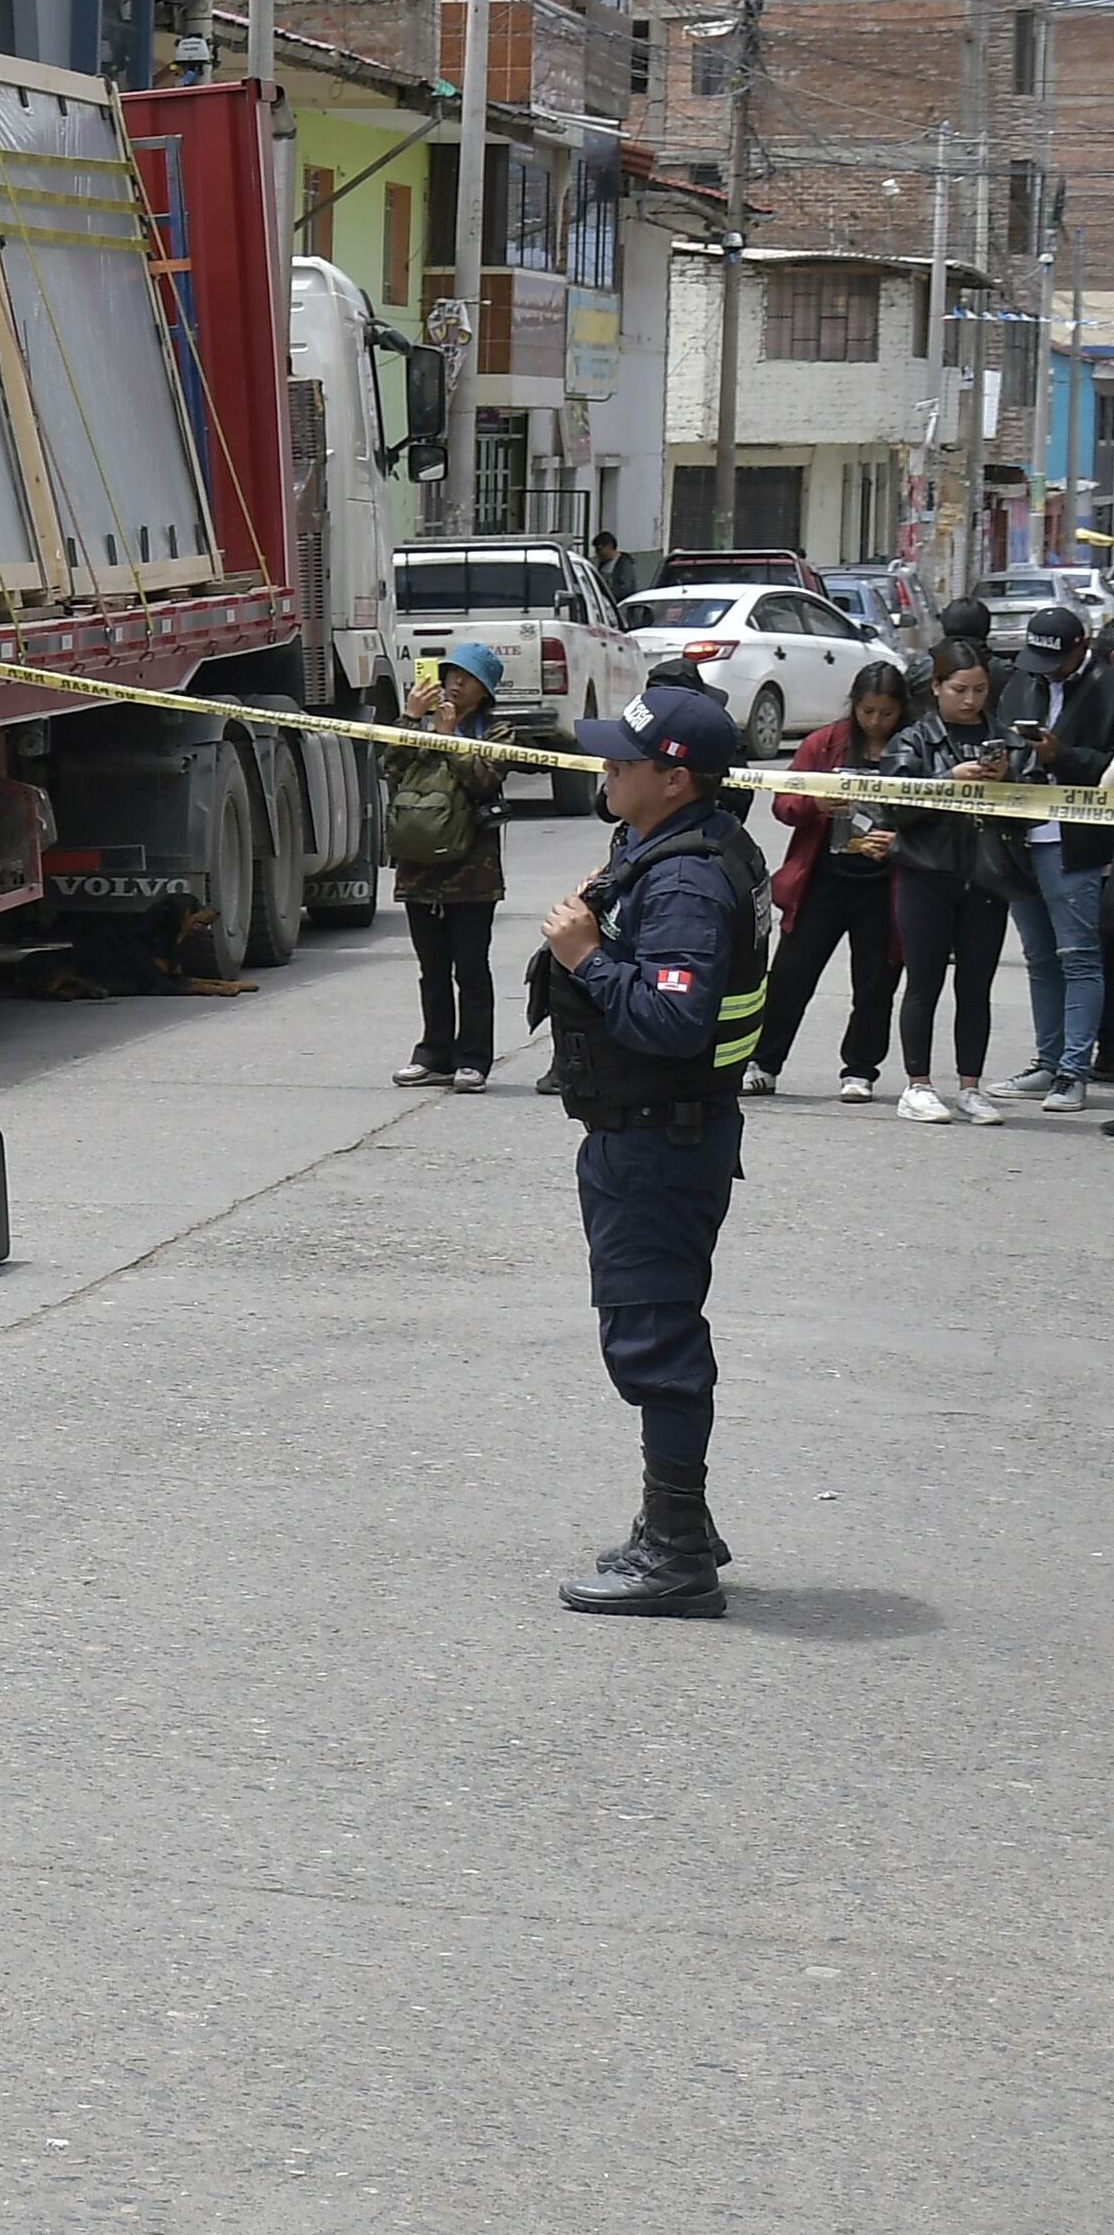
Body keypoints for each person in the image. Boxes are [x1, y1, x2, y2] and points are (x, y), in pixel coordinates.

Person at [537, 679, 770, 1618]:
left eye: (622, 760)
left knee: (655, 1339)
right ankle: (680, 1520)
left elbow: (674, 1018)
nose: (605, 768)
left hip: (659, 1142)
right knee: (653, 1327)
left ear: (674, 780)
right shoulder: (671, 845)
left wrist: (586, 955)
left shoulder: (683, 878)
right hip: (659, 1133)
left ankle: (676, 1552)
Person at [747, 660, 912, 1103]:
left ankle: (860, 1069)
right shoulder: (825, 744)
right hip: (822, 880)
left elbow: (934, 813)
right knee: (790, 975)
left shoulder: (913, 746)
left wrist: (898, 837)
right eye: (868, 711)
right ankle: (763, 1062)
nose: (876, 721)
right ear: (854, 706)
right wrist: (815, 803)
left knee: (876, 983)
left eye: (886, 713)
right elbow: (784, 804)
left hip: (886, 884)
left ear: (902, 711)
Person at [885, 642, 1020, 1123]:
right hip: (926, 873)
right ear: (936, 687)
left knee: (976, 985)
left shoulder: (1003, 737)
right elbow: (896, 808)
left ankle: (971, 1085)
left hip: (986, 876)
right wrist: (948, 780)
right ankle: (917, 1084)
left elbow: (1035, 801)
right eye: (959, 689)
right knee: (923, 982)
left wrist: (1009, 777)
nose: (969, 700)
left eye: (979, 690)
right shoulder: (913, 740)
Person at [984, 605, 1109, 1111]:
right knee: (1039, 957)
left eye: (1056, 661)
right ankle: (1047, 1060)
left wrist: (1066, 758)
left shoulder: (1106, 688)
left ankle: (1074, 1071)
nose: (1047, 671)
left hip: (1075, 840)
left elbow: (1107, 764)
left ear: (1082, 647)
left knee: (1078, 955)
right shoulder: (1023, 682)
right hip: (1022, 833)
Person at [388, 641, 511, 1091]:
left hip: (472, 875)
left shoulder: (498, 733)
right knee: (432, 969)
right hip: (419, 870)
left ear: (485, 690)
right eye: (451, 674)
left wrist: (451, 735)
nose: (455, 684)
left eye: (467, 678)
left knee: (471, 969)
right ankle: (433, 1053)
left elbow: (484, 782)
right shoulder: (421, 725)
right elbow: (390, 766)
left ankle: (473, 1058)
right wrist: (410, 719)